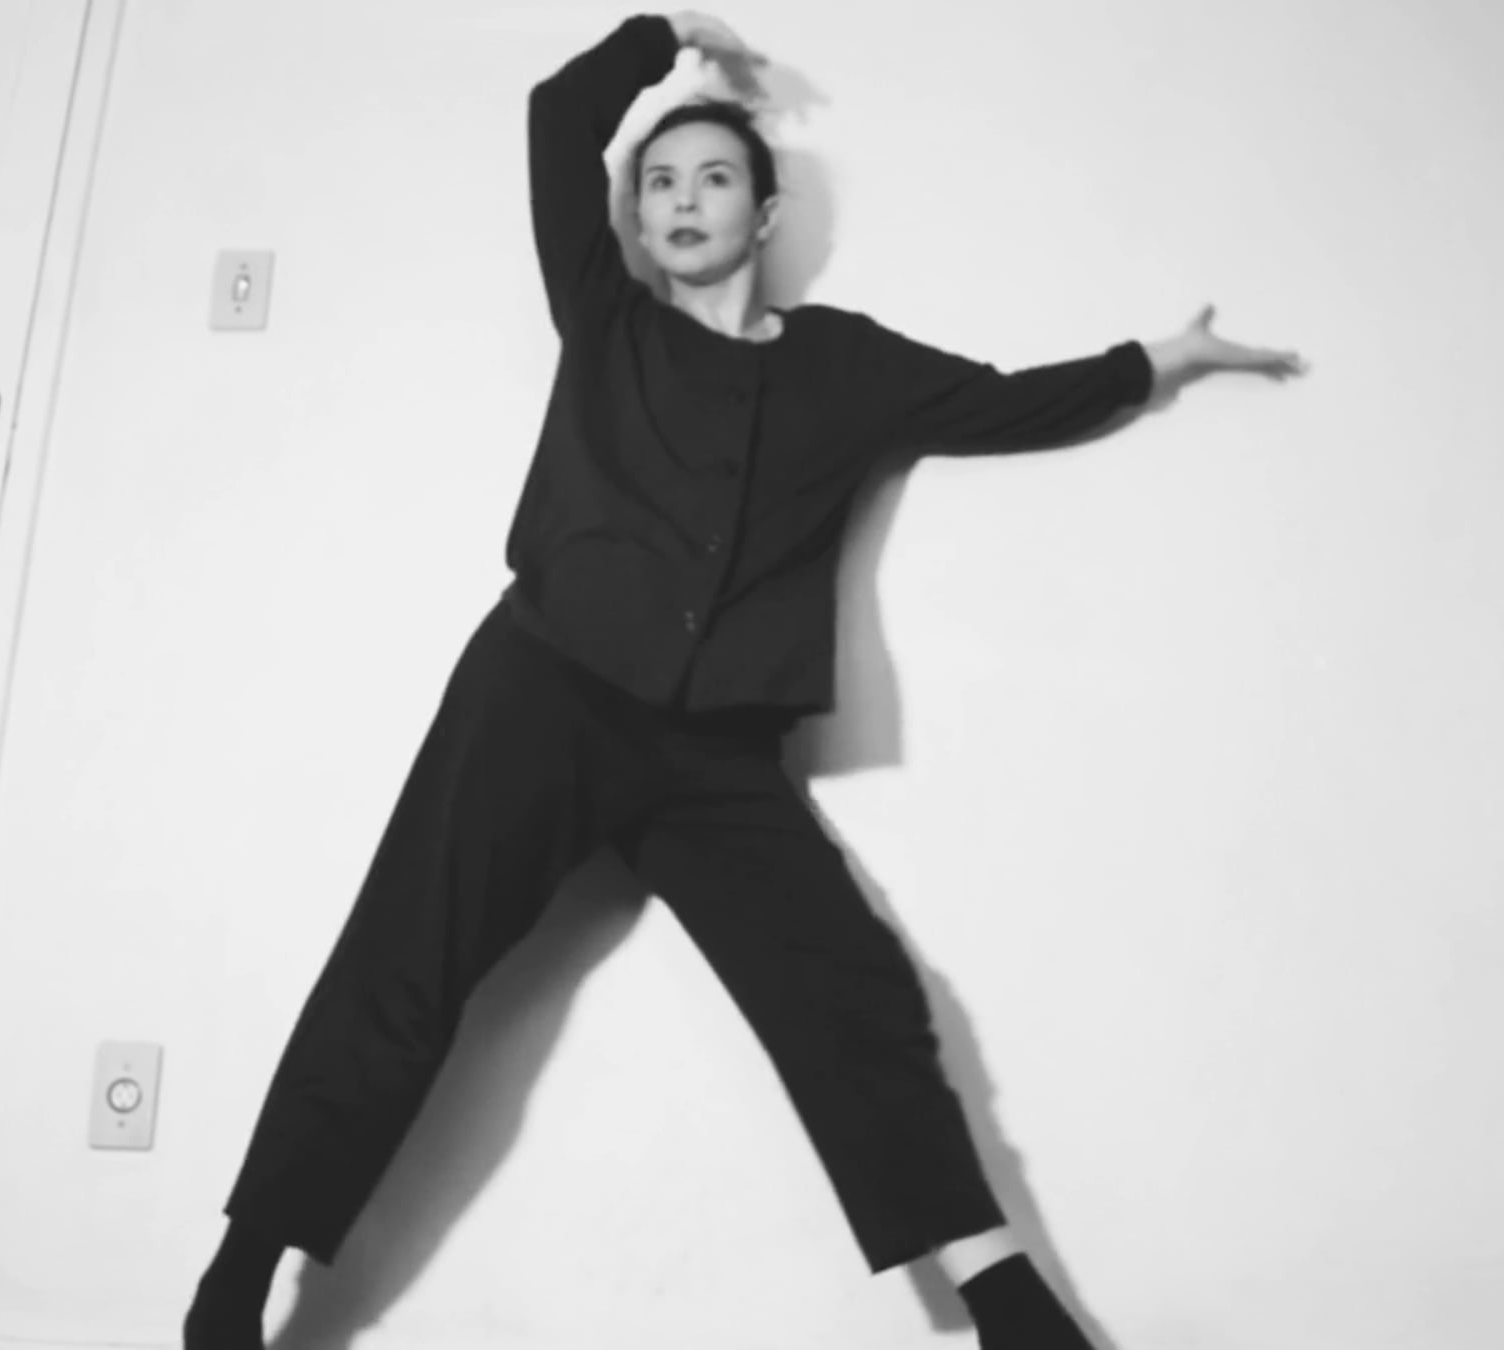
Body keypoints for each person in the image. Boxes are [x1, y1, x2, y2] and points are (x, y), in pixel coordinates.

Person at [183, 12, 1304, 1350]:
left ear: (764, 213)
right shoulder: (605, 319)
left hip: (714, 754)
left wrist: (1158, 364)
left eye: (713, 177)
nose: (681, 199)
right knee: (403, 965)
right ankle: (239, 1279)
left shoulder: (845, 366)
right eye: (659, 181)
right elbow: (555, 119)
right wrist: (662, 37)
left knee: (853, 991)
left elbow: (1001, 404)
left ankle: (1011, 1308)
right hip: (539, 694)